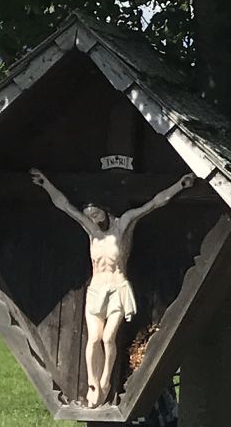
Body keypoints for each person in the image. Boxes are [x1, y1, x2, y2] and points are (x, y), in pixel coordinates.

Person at [29, 167, 196, 407]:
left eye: (96, 216)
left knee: (108, 338)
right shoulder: (91, 232)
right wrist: (46, 184)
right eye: (90, 217)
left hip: (118, 288)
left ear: (105, 213)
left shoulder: (123, 225)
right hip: (96, 290)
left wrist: (180, 185)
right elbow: (64, 206)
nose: (94, 221)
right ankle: (93, 384)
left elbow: (153, 204)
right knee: (93, 339)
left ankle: (105, 379)